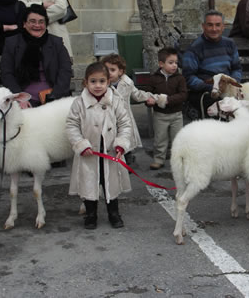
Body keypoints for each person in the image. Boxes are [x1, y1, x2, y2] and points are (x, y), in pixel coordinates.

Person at [66, 62, 132, 229]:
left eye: (102, 81)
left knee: (111, 182)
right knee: (90, 183)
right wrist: (81, 144)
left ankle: (114, 213)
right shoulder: (79, 103)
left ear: (108, 82)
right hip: (90, 154)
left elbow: (125, 124)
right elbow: (71, 125)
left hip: (110, 153)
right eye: (93, 81)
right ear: (85, 83)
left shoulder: (116, 101)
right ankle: (91, 214)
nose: (97, 85)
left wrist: (121, 144)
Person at [0, 4, 72, 108]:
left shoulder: (56, 43)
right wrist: (20, 98)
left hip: (53, 98)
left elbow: (65, 71)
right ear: (24, 24)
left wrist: (54, 97)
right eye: (32, 21)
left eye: (41, 22)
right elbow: (7, 73)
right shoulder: (12, 43)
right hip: (24, 100)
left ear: (46, 24)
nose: (37, 25)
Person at [182, 10, 242, 117]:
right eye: (210, 25)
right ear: (203, 26)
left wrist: (233, 83)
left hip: (228, 89)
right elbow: (188, 77)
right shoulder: (195, 48)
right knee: (222, 108)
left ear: (223, 26)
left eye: (218, 25)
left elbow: (236, 68)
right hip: (206, 91)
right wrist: (212, 87)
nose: (214, 29)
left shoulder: (230, 44)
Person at [101, 53, 156, 164]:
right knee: (110, 140)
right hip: (108, 118)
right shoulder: (102, 85)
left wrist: (150, 97)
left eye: (112, 70)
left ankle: (127, 159)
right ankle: (110, 160)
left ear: (120, 72)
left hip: (124, 117)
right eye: (106, 70)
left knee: (125, 138)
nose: (109, 73)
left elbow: (136, 94)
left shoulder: (127, 83)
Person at [146, 47, 187, 170]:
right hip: (160, 115)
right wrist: (149, 102)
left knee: (178, 138)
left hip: (176, 115)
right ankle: (159, 159)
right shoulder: (154, 78)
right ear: (161, 64)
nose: (174, 65)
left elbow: (183, 94)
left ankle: (179, 160)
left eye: (176, 62)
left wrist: (168, 100)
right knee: (160, 138)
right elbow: (149, 93)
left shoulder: (179, 78)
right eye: (171, 63)